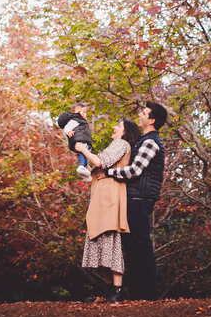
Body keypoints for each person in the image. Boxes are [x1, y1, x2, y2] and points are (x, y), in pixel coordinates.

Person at [104, 101, 168, 301]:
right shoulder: (143, 140)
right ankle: (138, 294)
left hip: (141, 199)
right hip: (133, 199)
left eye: (144, 112)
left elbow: (134, 171)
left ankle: (148, 295)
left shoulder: (150, 142)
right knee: (131, 247)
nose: (140, 114)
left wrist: (108, 173)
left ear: (152, 120)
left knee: (140, 246)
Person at [75, 119, 141, 302]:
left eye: (118, 126)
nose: (114, 127)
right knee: (98, 241)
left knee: (110, 242)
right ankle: (110, 288)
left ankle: (117, 291)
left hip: (109, 199)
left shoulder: (121, 144)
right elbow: (94, 168)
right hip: (101, 198)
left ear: (126, 132)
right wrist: (81, 155)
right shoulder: (115, 145)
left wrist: (83, 149)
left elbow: (100, 161)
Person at [56, 103, 94, 181]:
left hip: (83, 141)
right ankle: (81, 167)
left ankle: (85, 173)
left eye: (84, 112)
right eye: (80, 111)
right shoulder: (75, 119)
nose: (83, 113)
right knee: (83, 154)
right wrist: (69, 132)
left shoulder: (83, 121)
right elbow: (67, 127)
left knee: (86, 155)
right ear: (74, 112)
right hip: (79, 141)